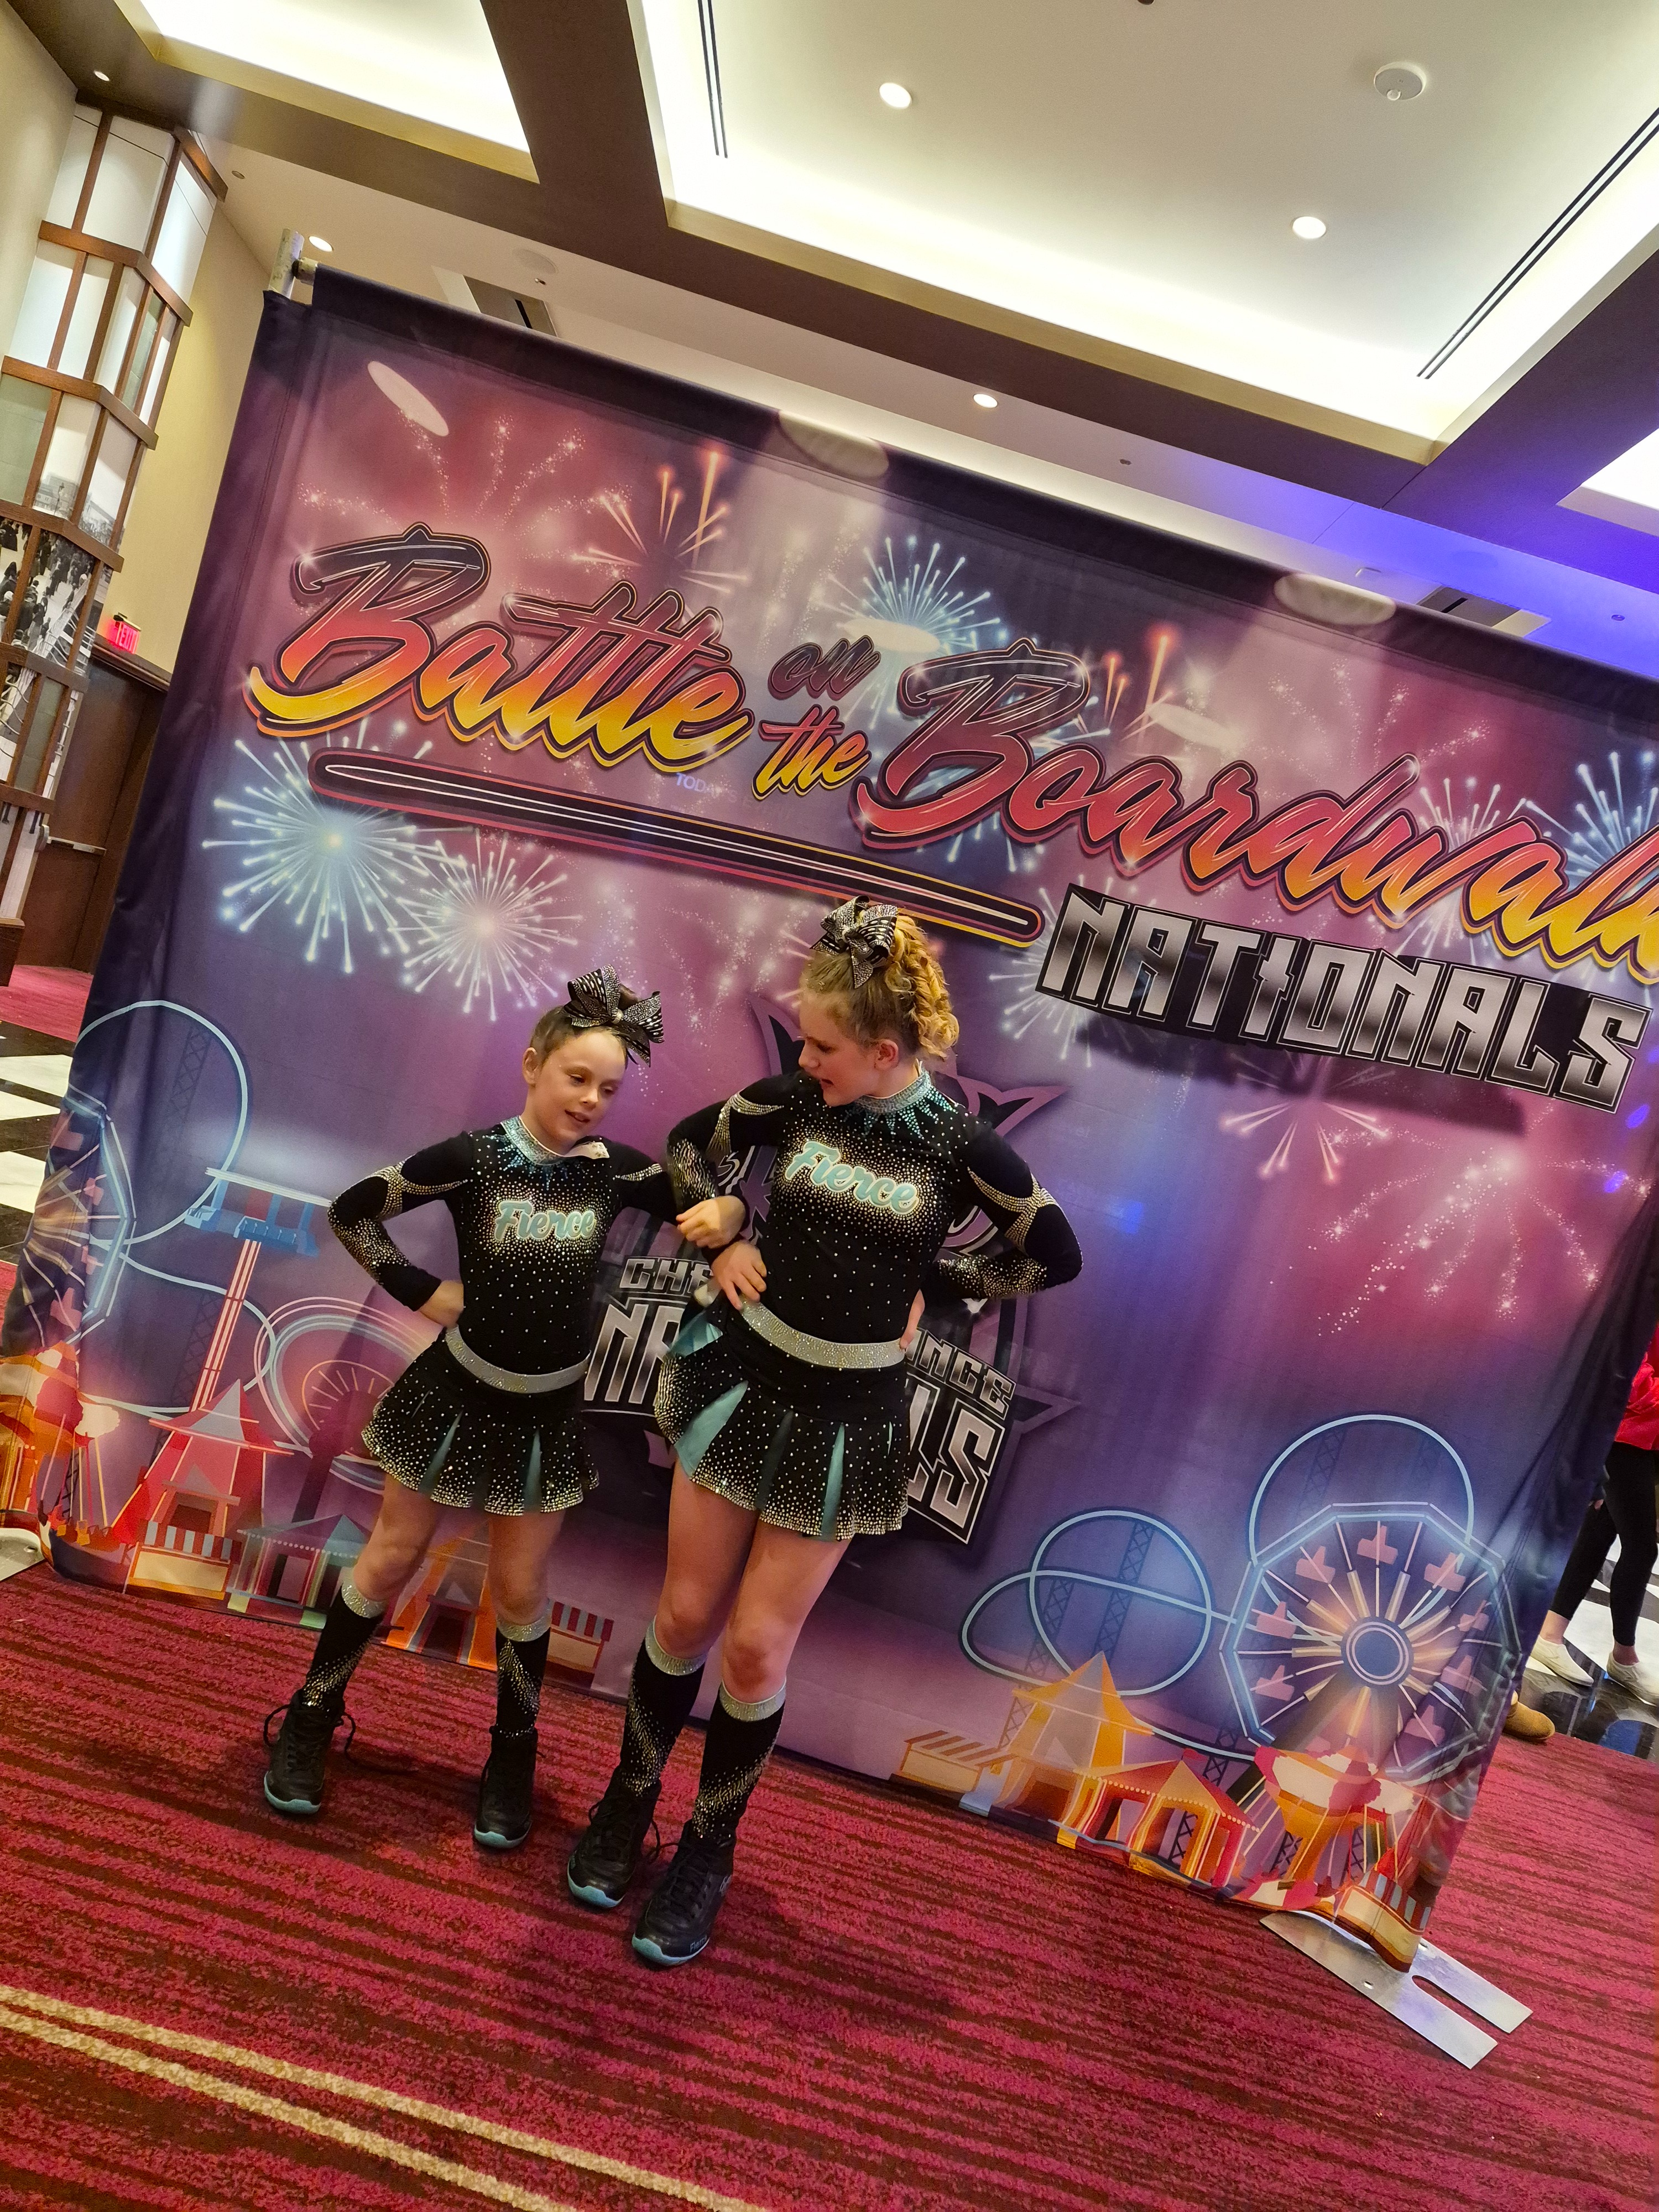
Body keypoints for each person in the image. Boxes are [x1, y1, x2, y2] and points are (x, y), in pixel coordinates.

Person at [566, 898, 1083, 1966]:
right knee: (685, 1614)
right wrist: (723, 1234)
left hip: (848, 1415)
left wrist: (946, 1282)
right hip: (740, 1377)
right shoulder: (796, 1099)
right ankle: (629, 1797)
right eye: (804, 1041)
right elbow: (690, 1148)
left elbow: (1052, 1252)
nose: (803, 1058)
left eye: (823, 1045)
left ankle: (708, 1851)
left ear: (886, 1051)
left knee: (757, 1649)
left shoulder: (960, 1146)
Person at [261, 969, 744, 1844]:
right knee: (390, 1557)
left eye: (607, 1088)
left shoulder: (616, 1171)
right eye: (576, 1078)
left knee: (520, 1590)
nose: (591, 1099)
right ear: (532, 1065)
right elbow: (354, 1210)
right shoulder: (474, 1157)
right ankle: (311, 1713)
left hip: (543, 1415)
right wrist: (423, 1292)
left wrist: (733, 1209)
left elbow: (704, 1207)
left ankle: (513, 1754)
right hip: (453, 1393)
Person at [1531, 1321, 1659, 1705]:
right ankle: (1624, 1656)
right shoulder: (1647, 1300)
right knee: (1641, 1547)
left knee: (1598, 1536)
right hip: (1626, 1435)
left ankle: (1550, 1634)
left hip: (1643, 1437)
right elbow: (1631, 1370)